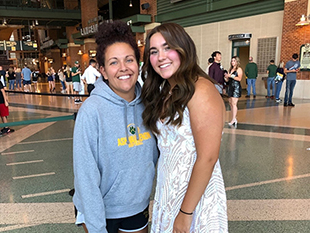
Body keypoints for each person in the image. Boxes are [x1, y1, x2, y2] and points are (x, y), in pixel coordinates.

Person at [73, 20, 158, 233]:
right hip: (101, 210)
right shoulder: (91, 110)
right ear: (102, 70)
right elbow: (85, 176)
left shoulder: (149, 104)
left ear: (138, 64)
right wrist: (96, 226)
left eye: (129, 60)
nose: (123, 68)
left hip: (137, 206)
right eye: (113, 62)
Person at [141, 23, 228, 232]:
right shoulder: (166, 90)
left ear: (183, 48)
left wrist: (186, 213)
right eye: (154, 51)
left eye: (167, 47)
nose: (161, 56)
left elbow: (208, 157)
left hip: (194, 197)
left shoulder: (201, 89)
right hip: (169, 190)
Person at [225, 56, 243, 126]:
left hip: (236, 87)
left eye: (234, 61)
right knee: (230, 103)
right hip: (230, 86)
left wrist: (231, 76)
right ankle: (234, 117)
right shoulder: (230, 69)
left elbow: (239, 78)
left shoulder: (239, 69)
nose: (232, 62)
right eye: (232, 61)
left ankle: (233, 119)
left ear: (237, 61)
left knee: (234, 103)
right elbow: (228, 79)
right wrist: (226, 77)